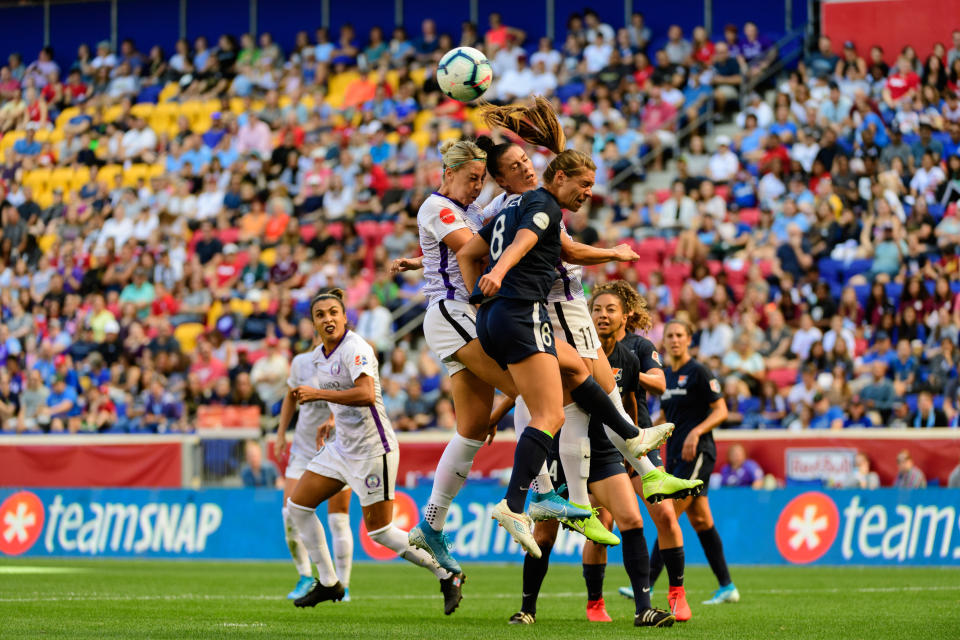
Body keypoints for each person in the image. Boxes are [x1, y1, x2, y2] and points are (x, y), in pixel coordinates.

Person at [457, 128, 672, 559]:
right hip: (522, 310)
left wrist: (478, 299)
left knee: (573, 371)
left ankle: (630, 439)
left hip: (494, 318)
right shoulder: (540, 203)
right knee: (551, 412)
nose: (526, 166)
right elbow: (528, 241)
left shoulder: (503, 210)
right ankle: (519, 503)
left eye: (526, 160)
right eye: (516, 165)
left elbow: (469, 252)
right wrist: (498, 276)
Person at [399, 138, 589, 576]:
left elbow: (485, 229)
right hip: (455, 312)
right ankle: (540, 493)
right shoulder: (437, 206)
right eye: (471, 179)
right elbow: (476, 245)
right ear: (449, 173)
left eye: (482, 180)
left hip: (455, 317)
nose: (475, 187)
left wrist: (416, 261)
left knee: (471, 429)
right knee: (532, 390)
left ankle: (431, 524)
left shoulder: (465, 210)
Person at [506, 281, 677, 628]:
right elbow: (527, 389)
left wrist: (635, 445)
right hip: (559, 451)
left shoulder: (628, 358)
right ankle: (527, 609)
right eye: (596, 309)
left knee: (633, 520)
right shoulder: (566, 348)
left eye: (609, 310)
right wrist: (494, 418)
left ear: (624, 316)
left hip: (601, 452)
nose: (601, 315)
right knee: (544, 536)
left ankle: (643, 608)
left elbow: (628, 407)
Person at [285, 289, 464, 614]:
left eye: (333, 312)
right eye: (320, 314)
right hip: (340, 448)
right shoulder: (317, 356)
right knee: (297, 507)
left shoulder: (356, 348)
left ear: (344, 317)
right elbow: (340, 391)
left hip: (373, 450)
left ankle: (446, 573)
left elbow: (367, 393)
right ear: (313, 322)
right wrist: (329, 417)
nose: (328, 319)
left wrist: (319, 393)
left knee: (381, 531)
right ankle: (328, 582)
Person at [659, 319, 740, 605]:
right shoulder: (666, 376)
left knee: (668, 514)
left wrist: (696, 431)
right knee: (701, 519)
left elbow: (721, 410)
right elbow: (664, 418)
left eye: (680, 335)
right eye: (670, 335)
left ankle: (642, 582)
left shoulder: (699, 372)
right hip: (675, 456)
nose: (675, 339)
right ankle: (727, 586)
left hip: (698, 453)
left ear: (690, 339)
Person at [275, 342, 353, 601]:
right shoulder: (301, 363)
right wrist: (280, 433)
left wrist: (333, 419)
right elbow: (290, 397)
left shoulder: (349, 358)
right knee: (290, 512)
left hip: (338, 448)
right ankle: (306, 577)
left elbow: (359, 398)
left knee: (338, 518)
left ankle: (343, 585)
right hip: (304, 448)